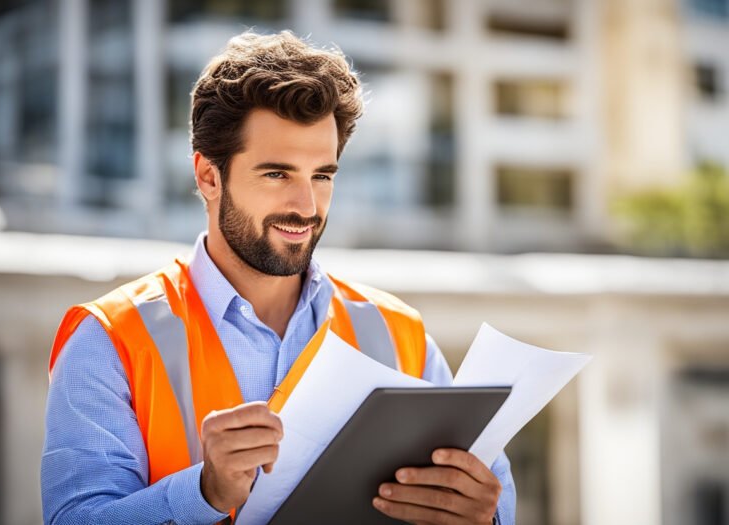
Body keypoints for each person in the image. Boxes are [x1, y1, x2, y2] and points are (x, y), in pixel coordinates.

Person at [41, 30, 516, 525]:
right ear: (208, 177)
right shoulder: (110, 339)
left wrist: (484, 516)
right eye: (277, 174)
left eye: (322, 176)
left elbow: (495, 495)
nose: (306, 207)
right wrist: (202, 491)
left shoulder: (400, 333)